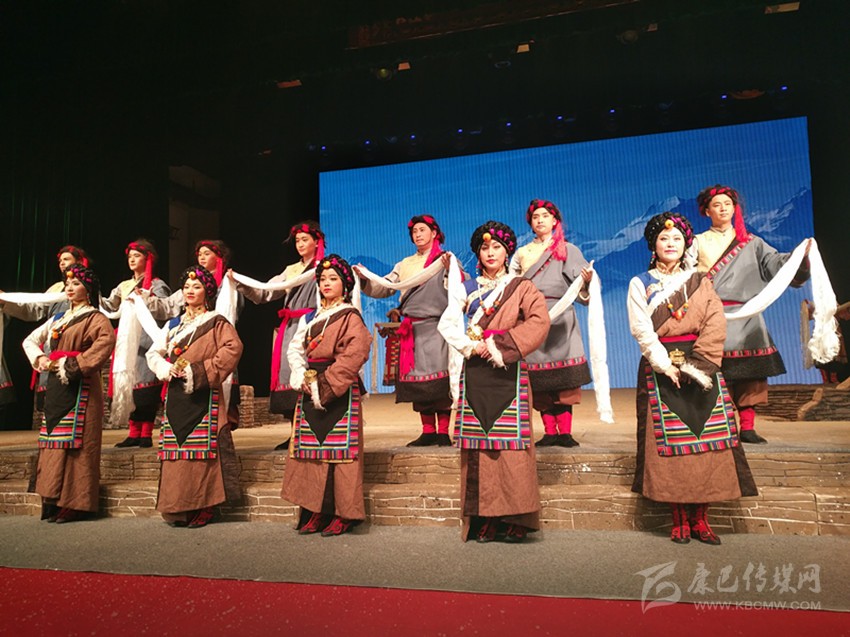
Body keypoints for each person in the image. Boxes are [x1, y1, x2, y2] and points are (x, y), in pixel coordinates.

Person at [629, 212, 757, 545]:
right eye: (663, 239)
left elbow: (715, 322)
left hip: (702, 366)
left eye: (677, 239)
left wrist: (698, 366)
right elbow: (642, 329)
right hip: (661, 368)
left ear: (686, 245)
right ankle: (678, 519)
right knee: (670, 448)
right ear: (653, 245)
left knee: (707, 447)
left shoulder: (701, 281)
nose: (670, 244)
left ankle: (701, 519)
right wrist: (665, 365)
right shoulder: (639, 283)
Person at [438, 221, 550, 542]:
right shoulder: (466, 287)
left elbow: (539, 321)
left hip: (508, 372)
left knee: (512, 449)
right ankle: (484, 517)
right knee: (479, 448)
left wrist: (499, 346)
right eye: (484, 248)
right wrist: (469, 346)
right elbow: (448, 323)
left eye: (497, 247)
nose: (490, 253)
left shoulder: (522, 287)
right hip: (475, 374)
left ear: (507, 251)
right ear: (478, 253)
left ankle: (516, 516)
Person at [691, 185, 811, 444]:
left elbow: (775, 263)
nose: (723, 209)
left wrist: (799, 257)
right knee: (714, 373)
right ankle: (720, 425)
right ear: (706, 211)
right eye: (716, 205)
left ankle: (747, 427)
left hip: (747, 315)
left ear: (735, 208)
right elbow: (686, 276)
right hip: (712, 314)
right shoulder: (697, 242)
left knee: (752, 374)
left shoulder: (752, 243)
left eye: (727, 204)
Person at [145, 265, 243, 528]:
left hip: (204, 392)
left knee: (202, 451)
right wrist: (165, 368)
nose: (190, 291)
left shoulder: (216, 322)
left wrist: (199, 371)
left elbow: (233, 348)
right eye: (186, 287)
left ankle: (204, 505)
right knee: (176, 449)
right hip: (176, 395)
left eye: (196, 286)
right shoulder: (173, 324)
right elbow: (153, 353)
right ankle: (177, 507)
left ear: (207, 292)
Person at [282, 255, 371, 536]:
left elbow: (356, 351)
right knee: (311, 454)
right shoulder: (310, 318)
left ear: (345, 285)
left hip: (337, 388)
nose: (326, 284)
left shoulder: (350, 316)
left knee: (342, 456)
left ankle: (345, 513)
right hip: (310, 386)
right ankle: (315, 510)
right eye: (322, 279)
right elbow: (295, 349)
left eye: (333, 279)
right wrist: (300, 375)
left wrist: (326, 385)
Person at [22, 264, 115, 523]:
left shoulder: (96, 318)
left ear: (88, 288)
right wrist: (41, 358)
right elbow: (30, 340)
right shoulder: (59, 319)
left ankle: (75, 502)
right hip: (57, 386)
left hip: (81, 385)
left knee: (79, 445)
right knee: (53, 440)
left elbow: (105, 343)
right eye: (67, 284)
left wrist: (72, 364)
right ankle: (52, 498)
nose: (70, 288)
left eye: (76, 284)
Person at [358, 215, 455, 447]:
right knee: (417, 382)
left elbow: (462, 285)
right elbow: (385, 287)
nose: (418, 234)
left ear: (434, 233)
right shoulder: (404, 265)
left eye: (422, 230)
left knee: (440, 381)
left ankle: (443, 432)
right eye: (414, 231)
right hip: (412, 330)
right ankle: (428, 431)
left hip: (437, 328)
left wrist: (451, 271)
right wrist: (365, 278)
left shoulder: (446, 260)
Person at [232, 221, 324, 450]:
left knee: (311, 375)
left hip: (314, 326)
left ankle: (313, 431)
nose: (300, 244)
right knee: (289, 377)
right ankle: (295, 433)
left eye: (305, 240)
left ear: (317, 242)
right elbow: (265, 293)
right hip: (291, 328)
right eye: (297, 240)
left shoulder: (323, 267)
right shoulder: (291, 271)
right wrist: (241, 283)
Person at [510, 199, 593, 447]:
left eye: (545, 216)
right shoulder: (522, 253)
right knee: (540, 380)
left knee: (564, 380)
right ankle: (549, 432)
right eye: (535, 217)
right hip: (532, 318)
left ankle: (564, 432)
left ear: (554, 220)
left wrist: (588, 282)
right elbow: (512, 286)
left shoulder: (568, 250)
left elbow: (581, 287)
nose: (540, 220)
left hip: (561, 316)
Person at [1, 245, 90, 409]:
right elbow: (34, 310)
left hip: (75, 341)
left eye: (66, 259)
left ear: (79, 261)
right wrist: (6, 302)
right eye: (60, 260)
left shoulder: (88, 286)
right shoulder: (56, 289)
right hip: (53, 340)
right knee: (49, 397)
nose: (62, 263)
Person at [102, 239, 171, 448]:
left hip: (147, 341)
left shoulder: (157, 285)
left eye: (137, 256)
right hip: (127, 342)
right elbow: (109, 305)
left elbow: (163, 310)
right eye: (130, 256)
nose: (132, 259)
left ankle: (146, 433)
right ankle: (133, 433)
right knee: (130, 386)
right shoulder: (124, 286)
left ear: (148, 258)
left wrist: (145, 299)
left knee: (146, 390)